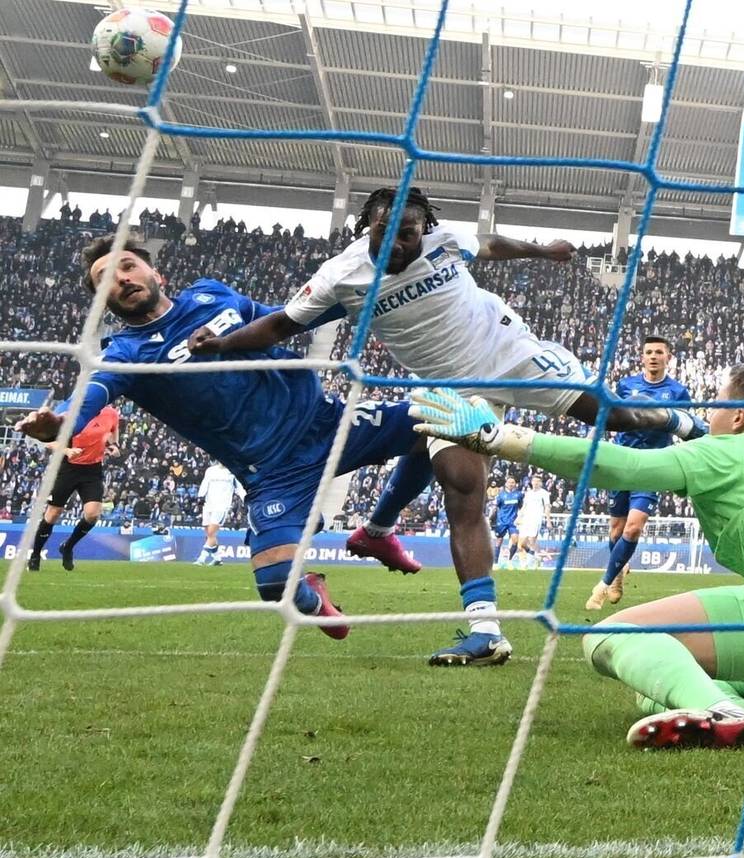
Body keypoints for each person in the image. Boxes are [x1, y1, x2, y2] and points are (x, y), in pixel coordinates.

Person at [188, 186, 706, 667]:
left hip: (512, 355)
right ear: (366, 226)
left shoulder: (445, 239)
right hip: (450, 390)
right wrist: (223, 345)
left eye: (406, 233)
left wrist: (542, 250)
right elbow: (282, 323)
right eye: (381, 231)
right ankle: (484, 630)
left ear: (423, 227)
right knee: (462, 488)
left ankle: (684, 421)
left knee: (613, 415)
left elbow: (490, 244)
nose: (394, 242)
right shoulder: (340, 274)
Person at [408, 363, 744, 749]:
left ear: (738, 417)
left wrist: (501, 438)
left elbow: (623, 465)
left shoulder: (730, 449)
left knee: (610, 636)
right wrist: (679, 422)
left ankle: (719, 710)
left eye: (715, 404)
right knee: (657, 686)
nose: (707, 412)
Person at [15, 233, 457, 641]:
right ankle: (312, 592)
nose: (121, 279)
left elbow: (283, 321)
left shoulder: (212, 293)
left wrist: (355, 299)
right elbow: (89, 399)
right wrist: (60, 424)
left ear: (155, 273)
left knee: (439, 423)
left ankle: (378, 531)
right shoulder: (125, 354)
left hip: (327, 422)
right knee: (273, 586)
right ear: (102, 304)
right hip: (272, 471)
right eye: (105, 279)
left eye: (127, 266)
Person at [587, 335, 693, 610]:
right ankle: (619, 575)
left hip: (652, 465)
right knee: (615, 531)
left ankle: (602, 585)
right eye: (649, 352)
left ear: (669, 357)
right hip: (623, 461)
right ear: (642, 357)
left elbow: (684, 427)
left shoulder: (678, 392)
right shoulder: (626, 386)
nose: (654, 356)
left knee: (633, 528)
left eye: (659, 352)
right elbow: (613, 417)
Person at [27, 405, 120, 572]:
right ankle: (35, 555)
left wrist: (114, 446)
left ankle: (68, 547)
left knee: (93, 515)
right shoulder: (70, 414)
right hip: (68, 468)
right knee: (52, 514)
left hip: (92, 470)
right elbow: (49, 442)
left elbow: (113, 431)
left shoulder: (111, 413)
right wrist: (67, 450)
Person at [195, 461, 245, 565]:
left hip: (222, 506)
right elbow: (205, 483)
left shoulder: (233, 472)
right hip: (208, 505)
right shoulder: (211, 470)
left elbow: (240, 488)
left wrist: (246, 499)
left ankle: (202, 558)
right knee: (208, 533)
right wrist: (200, 497)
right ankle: (217, 558)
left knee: (211, 533)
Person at [516, 474, 551, 569]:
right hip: (526, 519)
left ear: (541, 483)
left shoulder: (544, 493)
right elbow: (524, 506)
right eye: (534, 481)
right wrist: (519, 517)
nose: (535, 483)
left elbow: (547, 507)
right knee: (521, 544)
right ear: (531, 482)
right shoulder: (528, 493)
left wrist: (548, 520)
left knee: (532, 541)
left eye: (537, 481)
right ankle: (536, 557)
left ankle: (526, 564)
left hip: (536, 519)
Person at [491, 475, 522, 568]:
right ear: (506, 484)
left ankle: (509, 560)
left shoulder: (519, 494)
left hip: (513, 522)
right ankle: (495, 563)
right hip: (502, 521)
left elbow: (521, 507)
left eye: (513, 482)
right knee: (499, 541)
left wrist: (520, 518)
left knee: (515, 541)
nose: (511, 484)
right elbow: (495, 507)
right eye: (509, 482)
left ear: (515, 484)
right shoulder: (501, 495)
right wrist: (490, 517)